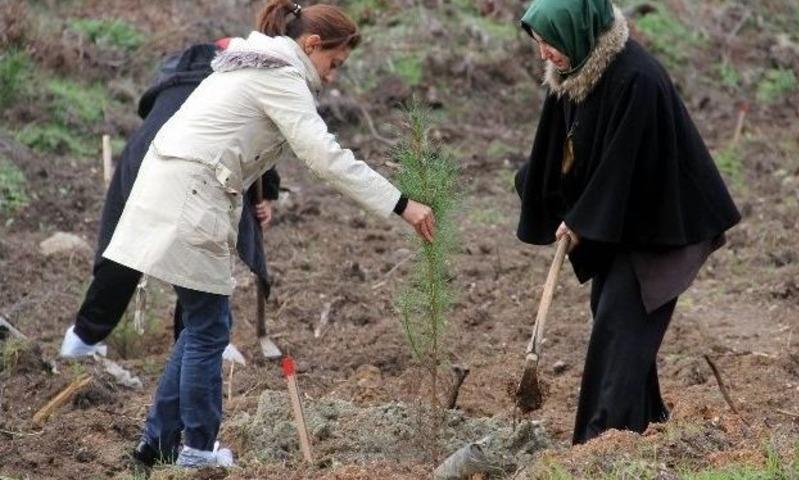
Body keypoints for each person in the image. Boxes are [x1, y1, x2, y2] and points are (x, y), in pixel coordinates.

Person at [102, 0, 435, 469]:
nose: (334, 75)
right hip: (191, 196)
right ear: (312, 44)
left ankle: (157, 444)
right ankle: (197, 449)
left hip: (172, 188)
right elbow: (324, 157)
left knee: (201, 324)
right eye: (334, 63)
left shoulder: (255, 62)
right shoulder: (280, 74)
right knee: (209, 329)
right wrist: (401, 203)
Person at [515, 0, 741, 444]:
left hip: (666, 224)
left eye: (550, 43)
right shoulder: (573, 72)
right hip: (624, 220)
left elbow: (625, 163)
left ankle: (602, 448)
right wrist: (555, 201)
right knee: (612, 319)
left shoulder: (637, 78)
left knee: (619, 329)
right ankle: (643, 427)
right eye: (539, 43)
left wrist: (583, 219)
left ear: (578, 33)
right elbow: (562, 144)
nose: (544, 54)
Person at [58, 41, 281, 358]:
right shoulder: (231, 90)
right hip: (184, 166)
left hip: (143, 156)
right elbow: (253, 142)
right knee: (199, 255)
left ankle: (81, 339)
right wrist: (267, 194)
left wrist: (266, 192)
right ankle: (197, 342)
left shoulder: (174, 79)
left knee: (128, 249)